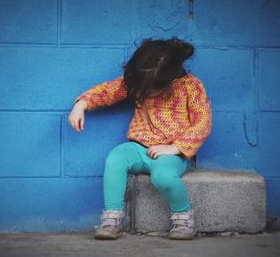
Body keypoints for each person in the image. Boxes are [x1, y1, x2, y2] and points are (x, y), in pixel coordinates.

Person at [68, 37, 212, 240]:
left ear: (169, 80)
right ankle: (112, 218)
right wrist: (82, 104)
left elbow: (202, 122)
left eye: (151, 90)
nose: (145, 92)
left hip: (172, 153)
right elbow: (108, 91)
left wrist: (177, 147)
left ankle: (183, 217)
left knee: (162, 176)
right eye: (142, 88)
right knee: (115, 158)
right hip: (139, 148)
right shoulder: (138, 80)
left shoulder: (191, 87)